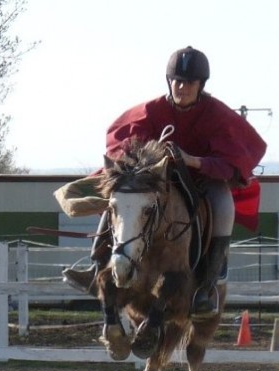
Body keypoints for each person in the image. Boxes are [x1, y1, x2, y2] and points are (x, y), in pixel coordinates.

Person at [63, 45, 267, 316]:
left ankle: (207, 285)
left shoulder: (218, 115)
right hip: (155, 180)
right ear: (169, 81)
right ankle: (96, 265)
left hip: (203, 180)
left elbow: (232, 163)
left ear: (201, 84)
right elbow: (122, 145)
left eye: (189, 82)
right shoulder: (151, 110)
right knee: (120, 198)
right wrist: (152, 155)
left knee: (225, 208)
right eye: (177, 81)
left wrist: (192, 160)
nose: (182, 87)